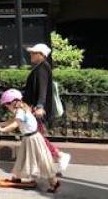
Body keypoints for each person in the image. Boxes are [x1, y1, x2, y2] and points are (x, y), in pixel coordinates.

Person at [0, 88, 61, 193]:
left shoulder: (21, 111)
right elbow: (13, 121)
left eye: (7, 104)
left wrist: (3, 130)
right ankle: (17, 177)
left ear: (14, 102)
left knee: (43, 161)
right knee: (22, 158)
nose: (6, 107)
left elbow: (15, 124)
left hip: (33, 139)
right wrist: (1, 124)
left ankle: (54, 183)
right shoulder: (23, 108)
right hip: (28, 138)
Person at [24, 43, 71, 171]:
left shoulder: (43, 67)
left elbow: (43, 88)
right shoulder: (39, 67)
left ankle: (59, 155)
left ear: (42, 55)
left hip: (37, 110)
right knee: (34, 137)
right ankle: (38, 164)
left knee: (36, 137)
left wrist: (40, 106)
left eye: (34, 53)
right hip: (34, 109)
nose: (31, 54)